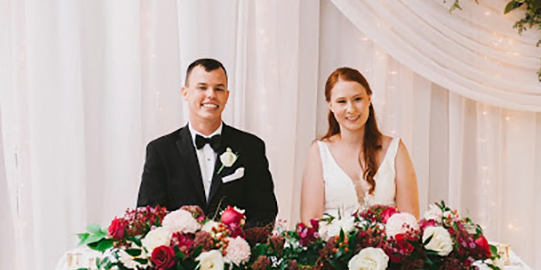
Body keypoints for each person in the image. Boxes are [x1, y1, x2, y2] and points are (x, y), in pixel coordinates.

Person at [137, 58, 278, 227]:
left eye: (218, 89)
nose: (211, 94)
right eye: (202, 87)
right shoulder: (160, 150)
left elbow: (265, 212)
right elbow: (148, 217)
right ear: (185, 92)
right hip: (180, 251)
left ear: (227, 96)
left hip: (236, 250)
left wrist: (232, 244)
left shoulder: (251, 147)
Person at [300, 67, 419, 222]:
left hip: (386, 245)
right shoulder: (319, 151)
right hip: (332, 245)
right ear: (330, 105)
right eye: (342, 101)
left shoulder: (396, 150)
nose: (351, 109)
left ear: (369, 98)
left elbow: (409, 218)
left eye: (357, 99)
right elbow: (310, 220)